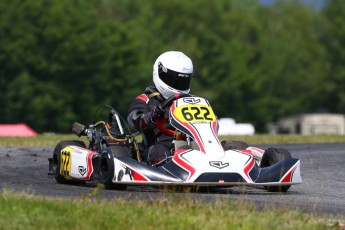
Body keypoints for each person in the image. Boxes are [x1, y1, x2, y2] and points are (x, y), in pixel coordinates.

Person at [127, 51, 194, 166]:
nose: (179, 85)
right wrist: (151, 117)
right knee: (161, 152)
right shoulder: (146, 100)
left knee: (225, 148)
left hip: (191, 145)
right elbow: (134, 119)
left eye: (183, 81)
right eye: (175, 80)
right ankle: (172, 169)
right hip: (158, 146)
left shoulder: (191, 101)